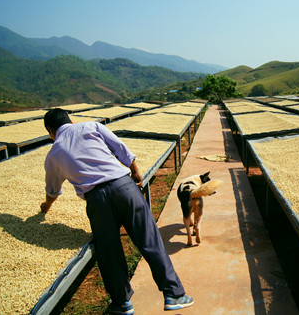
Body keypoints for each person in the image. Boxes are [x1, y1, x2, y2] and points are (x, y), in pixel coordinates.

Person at [40, 108, 193, 314]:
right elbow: (120, 148)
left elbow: (53, 190)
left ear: (50, 131)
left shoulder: (53, 155)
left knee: (109, 251)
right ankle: (174, 295)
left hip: (96, 200)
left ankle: (122, 303)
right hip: (123, 187)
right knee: (149, 239)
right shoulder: (91, 126)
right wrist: (136, 172)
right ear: (70, 120)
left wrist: (45, 207)